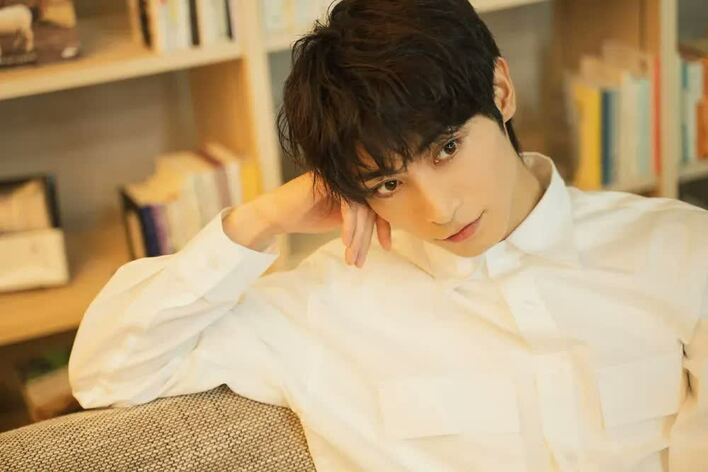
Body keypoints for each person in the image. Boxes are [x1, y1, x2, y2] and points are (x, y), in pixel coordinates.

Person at [69, 1, 707, 470]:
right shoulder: (326, 304)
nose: (439, 209)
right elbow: (108, 373)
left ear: (501, 91)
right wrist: (261, 219)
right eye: (387, 183)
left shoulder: (680, 249)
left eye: (447, 148)